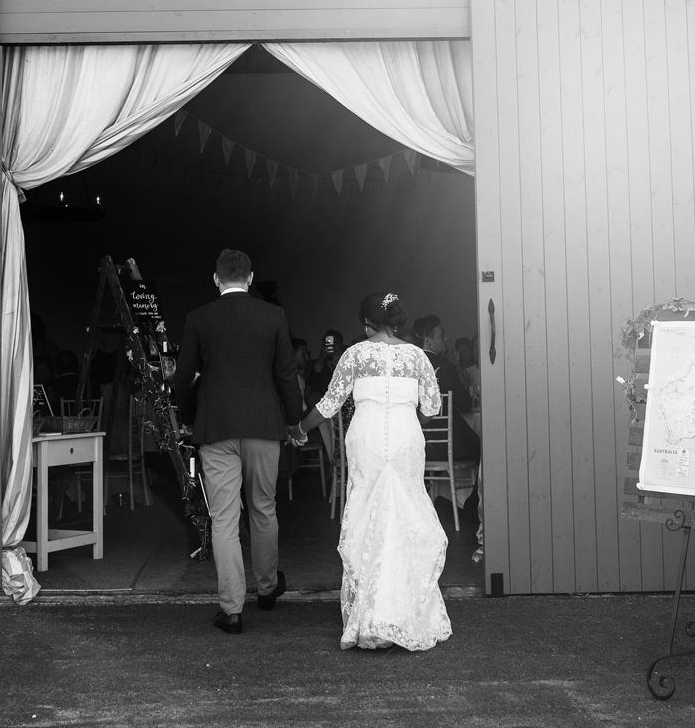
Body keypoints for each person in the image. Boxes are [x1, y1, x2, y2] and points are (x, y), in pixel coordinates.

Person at [296, 291, 452, 651]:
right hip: (405, 439)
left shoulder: (355, 355)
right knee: (403, 517)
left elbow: (329, 403)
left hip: (365, 439)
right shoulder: (416, 356)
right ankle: (404, 611)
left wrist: (300, 428)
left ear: (366, 323)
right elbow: (431, 407)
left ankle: (371, 614)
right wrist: (405, 417)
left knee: (369, 518)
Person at [170, 249, 303, 635]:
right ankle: (266, 589)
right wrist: (293, 420)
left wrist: (192, 416)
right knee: (264, 507)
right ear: (250, 277)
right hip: (264, 426)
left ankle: (231, 609)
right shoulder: (273, 316)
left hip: (217, 429)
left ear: (216, 279)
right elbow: (286, 374)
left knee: (224, 518)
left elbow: (182, 378)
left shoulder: (199, 318)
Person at [412, 315, 482, 471]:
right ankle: (474, 496)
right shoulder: (445, 367)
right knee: (488, 451)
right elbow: (465, 404)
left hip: (415, 446)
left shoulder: (407, 368)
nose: (446, 338)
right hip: (446, 446)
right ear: (427, 340)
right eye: (442, 335)